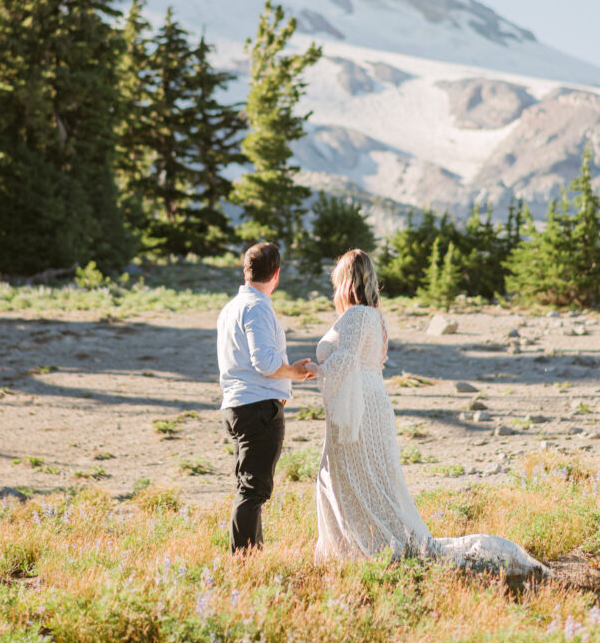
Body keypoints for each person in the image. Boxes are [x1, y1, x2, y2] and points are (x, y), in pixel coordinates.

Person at [314, 248, 548, 576]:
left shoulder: (354, 316)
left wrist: (313, 368)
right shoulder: (376, 317)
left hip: (357, 409)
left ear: (345, 281)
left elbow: (346, 360)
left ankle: (365, 549)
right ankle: (369, 543)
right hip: (372, 401)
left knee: (345, 478)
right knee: (371, 480)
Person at [217, 241, 316, 553]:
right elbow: (265, 363)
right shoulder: (256, 308)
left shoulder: (231, 308)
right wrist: (294, 372)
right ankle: (244, 561)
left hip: (237, 404)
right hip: (257, 408)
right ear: (277, 274)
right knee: (253, 490)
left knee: (249, 487)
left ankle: (251, 555)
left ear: (246, 271)